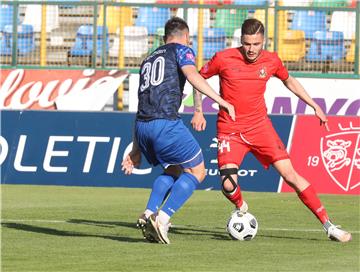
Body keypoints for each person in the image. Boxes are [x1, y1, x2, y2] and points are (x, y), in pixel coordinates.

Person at [191, 18, 352, 242]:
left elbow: (290, 81)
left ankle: (329, 225)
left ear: (263, 41)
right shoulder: (224, 58)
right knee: (228, 184)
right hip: (230, 129)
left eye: (256, 44)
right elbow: (197, 78)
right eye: (247, 44)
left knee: (291, 175)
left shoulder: (272, 60)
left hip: (260, 128)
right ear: (241, 41)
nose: (251, 49)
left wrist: (314, 105)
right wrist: (198, 110)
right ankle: (241, 206)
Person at [121, 17, 235, 244]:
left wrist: (136, 148)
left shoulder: (147, 60)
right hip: (166, 125)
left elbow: (141, 103)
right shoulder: (182, 50)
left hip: (143, 126)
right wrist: (221, 101)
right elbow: (193, 76)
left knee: (173, 170)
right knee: (197, 172)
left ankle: (148, 212)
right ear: (186, 36)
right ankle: (162, 219)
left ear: (164, 38)